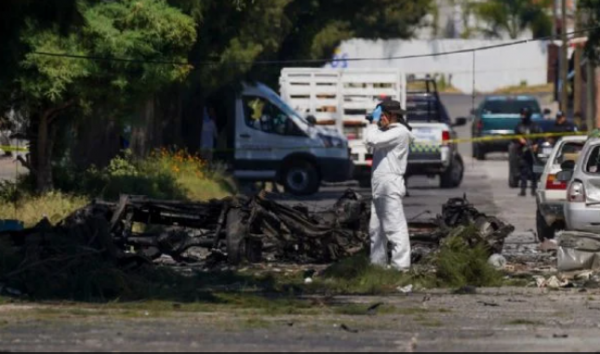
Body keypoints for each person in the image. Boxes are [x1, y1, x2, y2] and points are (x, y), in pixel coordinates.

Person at [364, 99, 415, 272]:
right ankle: (377, 266)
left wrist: (372, 122)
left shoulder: (399, 132)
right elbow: (371, 142)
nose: (381, 119)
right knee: (376, 230)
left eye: (382, 115)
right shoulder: (386, 132)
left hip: (389, 184)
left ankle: (401, 267)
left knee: (395, 228)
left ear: (392, 115)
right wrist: (376, 124)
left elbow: (373, 141)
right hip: (380, 185)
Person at [514, 107, 543, 197]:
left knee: (534, 171)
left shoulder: (535, 126)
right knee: (523, 171)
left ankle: (533, 190)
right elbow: (514, 136)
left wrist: (536, 145)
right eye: (522, 114)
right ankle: (523, 190)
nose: (523, 116)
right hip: (523, 152)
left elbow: (540, 137)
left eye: (524, 115)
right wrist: (520, 139)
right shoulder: (519, 126)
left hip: (533, 152)